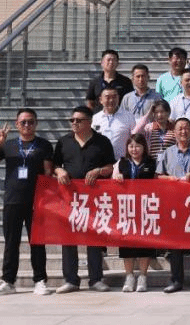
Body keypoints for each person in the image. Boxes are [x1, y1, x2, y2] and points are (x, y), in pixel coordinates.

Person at [0, 108, 54, 297]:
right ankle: (8, 281)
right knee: (11, 242)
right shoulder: (8, 145)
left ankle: (40, 280)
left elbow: (48, 172)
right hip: (13, 199)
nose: (27, 125)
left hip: (36, 200)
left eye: (31, 122)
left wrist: (46, 198)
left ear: (36, 124)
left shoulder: (44, 145)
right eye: (23, 122)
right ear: (17, 124)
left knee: (37, 242)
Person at [53, 106, 116, 293]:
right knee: (68, 237)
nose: (74, 123)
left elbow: (111, 166)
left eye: (78, 120)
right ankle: (71, 280)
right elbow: (54, 164)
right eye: (72, 120)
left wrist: (99, 171)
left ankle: (96, 279)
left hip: (95, 197)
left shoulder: (102, 142)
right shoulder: (64, 142)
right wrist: (59, 171)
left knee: (94, 237)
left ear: (89, 122)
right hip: (70, 197)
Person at [157, 118, 190, 293]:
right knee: (175, 245)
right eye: (180, 128)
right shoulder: (167, 153)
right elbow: (158, 176)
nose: (183, 131)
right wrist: (169, 178)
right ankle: (176, 280)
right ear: (174, 132)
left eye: (186, 128)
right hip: (174, 204)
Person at [112, 133, 158, 292]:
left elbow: (158, 182)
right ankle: (129, 276)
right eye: (131, 146)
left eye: (138, 146)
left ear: (144, 147)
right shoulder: (122, 163)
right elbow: (112, 183)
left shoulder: (152, 163)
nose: (134, 149)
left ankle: (143, 277)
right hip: (126, 209)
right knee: (127, 244)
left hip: (146, 208)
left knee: (145, 243)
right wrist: (117, 177)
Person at [93, 87, 134, 160]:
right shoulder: (95, 118)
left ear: (118, 98)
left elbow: (134, 139)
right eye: (107, 97)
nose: (111, 100)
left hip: (121, 161)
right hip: (99, 162)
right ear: (101, 100)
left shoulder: (129, 117)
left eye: (114, 97)